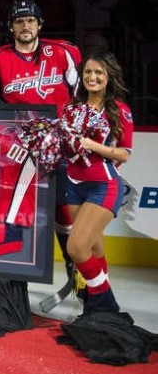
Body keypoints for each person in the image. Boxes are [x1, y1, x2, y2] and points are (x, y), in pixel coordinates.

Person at [0, 0, 82, 288]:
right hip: (16, 151)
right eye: (19, 21)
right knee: (15, 210)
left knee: (65, 210)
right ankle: (12, 278)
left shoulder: (63, 53)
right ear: (11, 27)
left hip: (60, 148)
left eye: (31, 20)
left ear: (40, 24)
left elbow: (83, 98)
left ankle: (78, 270)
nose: (26, 25)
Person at [62, 52, 133, 314]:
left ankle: (105, 304)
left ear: (108, 77)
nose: (92, 77)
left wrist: (93, 146)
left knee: (76, 248)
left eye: (99, 73)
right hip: (72, 184)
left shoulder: (120, 110)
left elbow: (125, 153)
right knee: (93, 246)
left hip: (103, 186)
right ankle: (97, 303)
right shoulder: (70, 108)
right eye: (88, 72)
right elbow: (63, 144)